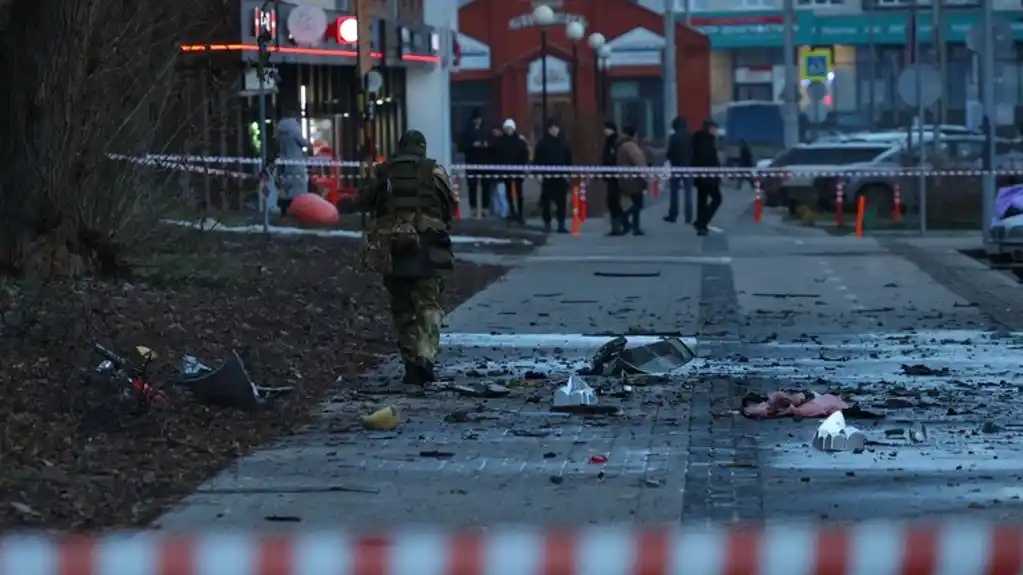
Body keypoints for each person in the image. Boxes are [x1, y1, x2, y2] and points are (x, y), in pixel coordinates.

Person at [355, 130, 456, 387]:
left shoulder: (383, 172)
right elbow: (449, 206)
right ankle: (425, 356)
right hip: (429, 248)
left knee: (402, 308)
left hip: (393, 250)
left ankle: (411, 363)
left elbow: (362, 201)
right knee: (428, 305)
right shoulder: (435, 172)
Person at [532, 118, 573, 233]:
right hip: (547, 177)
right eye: (553, 128)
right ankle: (547, 223)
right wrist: (538, 174)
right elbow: (537, 160)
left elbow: (568, 159)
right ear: (549, 129)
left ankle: (561, 224)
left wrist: (568, 174)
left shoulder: (563, 143)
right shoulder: (542, 143)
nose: (556, 130)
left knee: (561, 202)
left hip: (560, 177)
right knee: (546, 201)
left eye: (557, 128)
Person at [492, 119, 530, 224]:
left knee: (519, 193)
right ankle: (512, 212)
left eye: (510, 128)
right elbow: (496, 156)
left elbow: (525, 155)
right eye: (507, 128)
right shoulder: (500, 142)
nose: (509, 130)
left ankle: (520, 213)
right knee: (508, 192)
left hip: (518, 171)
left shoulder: (520, 142)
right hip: (505, 171)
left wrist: (523, 167)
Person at [275, 108, 309, 216]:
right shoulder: (294, 127)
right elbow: (302, 142)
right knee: (297, 187)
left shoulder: (279, 127)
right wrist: (309, 145)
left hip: (283, 160)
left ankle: (283, 210)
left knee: (285, 185)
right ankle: (297, 210)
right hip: (295, 161)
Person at [615, 125, 648, 236]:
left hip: (624, 178)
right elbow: (638, 161)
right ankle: (626, 219)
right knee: (638, 203)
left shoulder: (620, 145)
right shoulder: (631, 146)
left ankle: (632, 226)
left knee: (632, 202)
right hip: (633, 178)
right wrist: (644, 175)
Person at [691, 119, 722, 236]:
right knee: (717, 199)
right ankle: (701, 222)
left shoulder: (697, 140)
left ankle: (701, 225)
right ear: (710, 129)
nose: (716, 131)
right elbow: (711, 160)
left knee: (702, 200)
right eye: (715, 129)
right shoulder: (708, 142)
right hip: (709, 176)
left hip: (699, 175)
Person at [458, 108, 491, 215]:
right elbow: (461, 145)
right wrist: (472, 145)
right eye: (476, 119)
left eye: (479, 119)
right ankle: (473, 208)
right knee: (472, 185)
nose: (478, 121)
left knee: (486, 185)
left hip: (485, 160)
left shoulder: (486, 129)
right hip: (471, 161)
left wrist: (487, 144)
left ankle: (485, 208)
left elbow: (493, 142)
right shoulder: (466, 130)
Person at [664, 117, 692, 223]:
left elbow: (670, 152)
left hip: (676, 167)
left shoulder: (673, 137)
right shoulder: (690, 136)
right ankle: (688, 216)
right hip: (689, 167)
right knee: (688, 193)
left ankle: (673, 214)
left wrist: (669, 159)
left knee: (674, 192)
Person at [602, 122, 625, 235]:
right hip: (610, 175)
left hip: (616, 176)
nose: (605, 131)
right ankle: (619, 225)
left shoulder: (615, 142)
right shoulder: (608, 142)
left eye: (607, 129)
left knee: (613, 200)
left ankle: (619, 226)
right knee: (612, 201)